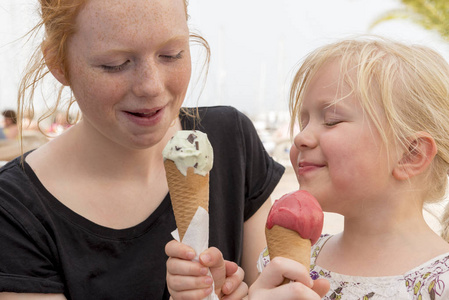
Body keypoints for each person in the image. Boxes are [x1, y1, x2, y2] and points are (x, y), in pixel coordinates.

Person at [0, 0, 284, 299]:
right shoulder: (14, 210)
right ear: (58, 63)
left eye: (171, 54)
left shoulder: (231, 140)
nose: (151, 85)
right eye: (115, 64)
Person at [249, 36, 449, 299]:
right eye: (304, 121)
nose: (300, 137)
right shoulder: (286, 262)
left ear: (410, 155)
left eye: (331, 120)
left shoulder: (439, 284)